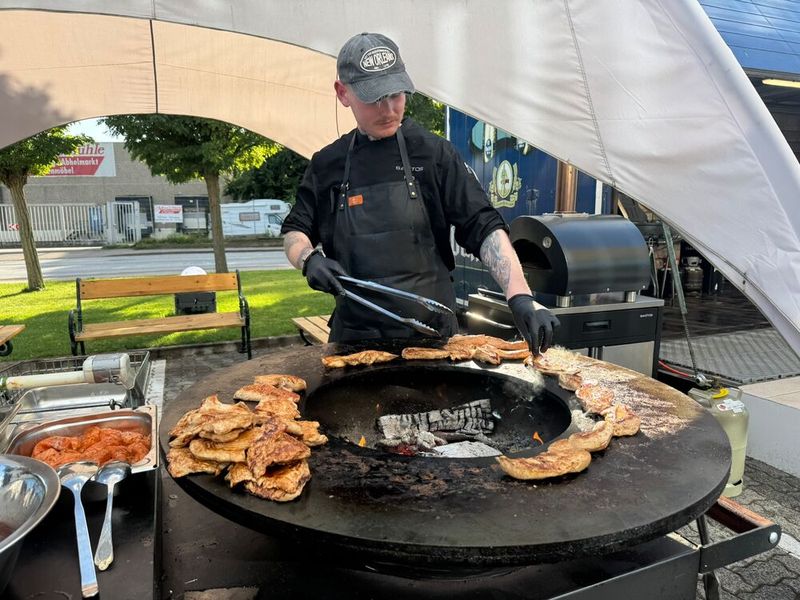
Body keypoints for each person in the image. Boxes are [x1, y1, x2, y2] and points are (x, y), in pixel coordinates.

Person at [281, 32, 559, 352]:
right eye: (373, 98)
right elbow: (294, 231)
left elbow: (482, 226)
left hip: (433, 334)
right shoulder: (326, 165)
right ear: (343, 93)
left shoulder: (433, 154)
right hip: (354, 339)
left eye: (395, 94)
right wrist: (308, 259)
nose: (388, 109)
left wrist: (520, 297)